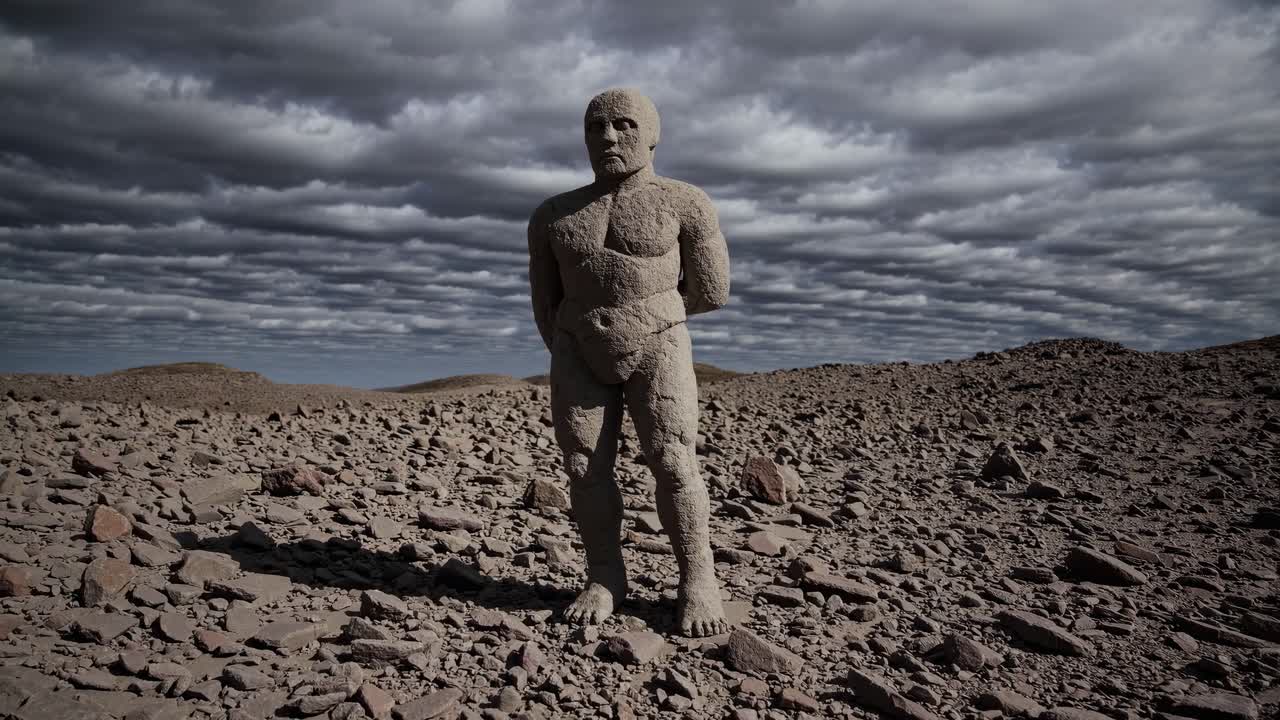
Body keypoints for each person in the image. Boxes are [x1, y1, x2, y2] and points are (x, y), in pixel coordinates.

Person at [527, 88, 731, 637]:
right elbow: (544, 303)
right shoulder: (552, 215)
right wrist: (577, 338)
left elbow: (712, 289)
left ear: (653, 134)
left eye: (624, 124)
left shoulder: (685, 202)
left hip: (659, 344)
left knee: (672, 460)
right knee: (582, 467)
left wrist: (651, 318)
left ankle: (698, 580)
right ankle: (605, 576)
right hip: (577, 349)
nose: (609, 137)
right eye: (596, 127)